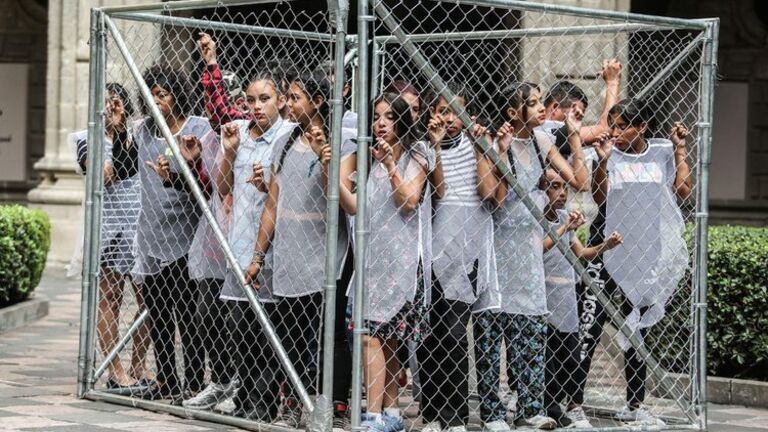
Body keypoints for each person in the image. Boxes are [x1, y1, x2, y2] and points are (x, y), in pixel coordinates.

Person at [472, 81, 588, 431]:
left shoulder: (542, 142)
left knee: (531, 332)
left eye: (541, 102)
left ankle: (530, 407)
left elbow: (579, 182)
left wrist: (576, 137)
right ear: (512, 112)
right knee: (493, 333)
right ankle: (492, 412)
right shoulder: (497, 142)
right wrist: (501, 153)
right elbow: (494, 196)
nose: (542, 108)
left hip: (528, 246)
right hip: (499, 244)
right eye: (534, 103)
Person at [246, 69, 356, 428]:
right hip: (291, 254)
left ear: (319, 101)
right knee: (291, 332)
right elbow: (274, 203)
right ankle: (295, 401)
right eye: (289, 97)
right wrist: (258, 255)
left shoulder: (344, 142)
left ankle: (334, 409)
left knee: (331, 333)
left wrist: (327, 163)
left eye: (295, 98)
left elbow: (337, 200)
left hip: (327, 257)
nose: (288, 104)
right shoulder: (285, 142)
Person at [572, 99, 690, 426]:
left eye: (623, 125)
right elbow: (600, 198)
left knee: (637, 327)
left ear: (643, 127)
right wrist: (601, 163)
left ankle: (636, 405)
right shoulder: (608, 153)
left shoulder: (662, 151)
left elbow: (682, 190)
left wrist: (680, 150)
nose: (616, 131)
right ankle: (573, 404)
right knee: (590, 326)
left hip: (643, 251)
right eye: (614, 125)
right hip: (607, 247)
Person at [216, 69, 297, 422]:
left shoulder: (289, 136)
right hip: (240, 245)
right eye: (250, 100)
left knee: (268, 334)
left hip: (274, 249)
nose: (257, 106)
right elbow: (222, 187)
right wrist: (231, 153)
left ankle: (265, 401)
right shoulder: (240, 135)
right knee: (240, 328)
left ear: (280, 100)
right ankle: (245, 395)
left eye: (265, 99)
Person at [417, 82, 495, 432]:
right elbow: (434, 192)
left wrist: (482, 149)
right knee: (427, 333)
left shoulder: (478, 145)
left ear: (469, 115)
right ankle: (431, 411)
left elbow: (489, 193)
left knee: (452, 331)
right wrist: (433, 147)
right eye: (442, 110)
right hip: (429, 250)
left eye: (455, 111)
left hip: (467, 250)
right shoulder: (423, 148)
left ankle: (455, 414)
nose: (448, 118)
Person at [132, 64, 211, 402]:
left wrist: (173, 178)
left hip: (188, 237)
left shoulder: (199, 129)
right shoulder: (143, 132)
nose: (156, 101)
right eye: (150, 94)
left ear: (176, 95)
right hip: (152, 235)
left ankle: (193, 383)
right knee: (159, 315)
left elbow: (207, 186)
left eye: (162, 94)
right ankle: (165, 380)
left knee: (190, 318)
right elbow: (122, 164)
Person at [71, 83, 151, 393]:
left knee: (149, 302)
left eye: (116, 103)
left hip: (141, 229)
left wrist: (122, 133)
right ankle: (115, 371)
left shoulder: (137, 136)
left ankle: (137, 367)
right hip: (109, 232)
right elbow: (104, 175)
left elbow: (134, 168)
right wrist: (113, 135)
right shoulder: (85, 140)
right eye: (105, 104)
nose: (111, 109)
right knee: (110, 300)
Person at [539, 169, 622, 428]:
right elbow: (539, 248)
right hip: (544, 297)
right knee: (548, 357)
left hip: (567, 296)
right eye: (553, 187)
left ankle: (565, 404)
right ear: (541, 192)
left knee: (572, 356)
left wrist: (605, 246)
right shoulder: (538, 219)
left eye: (564, 187)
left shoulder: (565, 217)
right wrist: (565, 227)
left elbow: (582, 253)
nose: (562, 192)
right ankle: (549, 408)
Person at [539, 59, 622, 156]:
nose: (579, 118)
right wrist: (612, 82)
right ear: (555, 108)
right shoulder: (550, 130)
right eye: (575, 113)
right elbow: (606, 128)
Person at [197, 32, 250, 131]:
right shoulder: (203, 128)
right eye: (208, 103)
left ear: (241, 103)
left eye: (224, 101)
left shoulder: (248, 123)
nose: (210, 108)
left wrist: (211, 61)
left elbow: (221, 112)